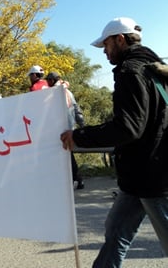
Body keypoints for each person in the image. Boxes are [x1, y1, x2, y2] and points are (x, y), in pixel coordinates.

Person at [60, 17, 168, 267]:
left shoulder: (131, 71)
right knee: (115, 233)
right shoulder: (153, 66)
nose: (105, 52)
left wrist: (79, 136)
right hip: (139, 176)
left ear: (120, 39)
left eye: (106, 45)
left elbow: (128, 127)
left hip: (152, 176)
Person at [46, 72, 85, 189]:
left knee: (66, 155)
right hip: (70, 128)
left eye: (48, 80)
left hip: (61, 129)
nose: (47, 82)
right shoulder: (68, 91)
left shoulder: (54, 93)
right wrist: (82, 125)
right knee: (68, 154)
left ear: (52, 80)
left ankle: (74, 179)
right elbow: (77, 110)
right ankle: (77, 179)